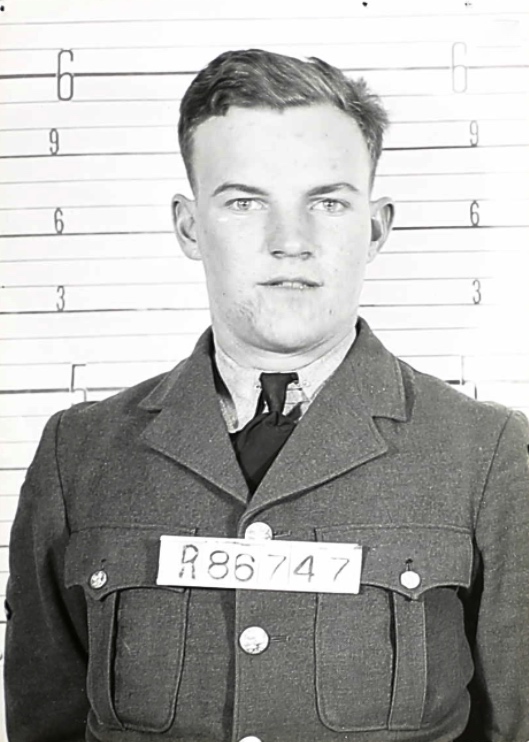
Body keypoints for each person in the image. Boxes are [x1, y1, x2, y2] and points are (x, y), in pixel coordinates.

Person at [4, 48, 529, 742]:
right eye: (245, 202)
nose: (290, 242)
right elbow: (46, 720)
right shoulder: (78, 455)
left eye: (327, 202)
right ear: (189, 226)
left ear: (375, 227)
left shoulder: (487, 455)